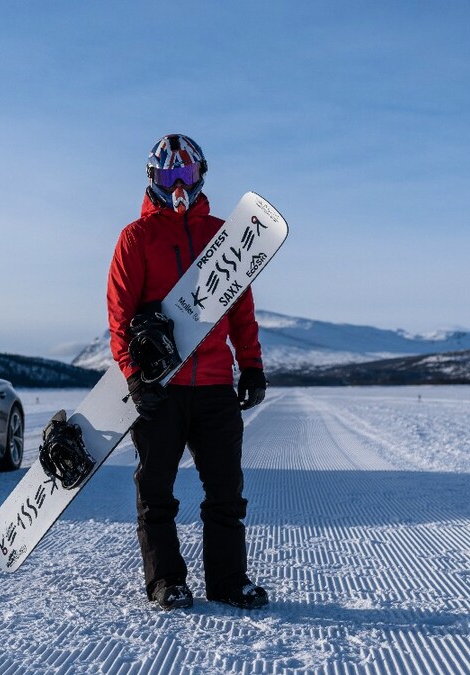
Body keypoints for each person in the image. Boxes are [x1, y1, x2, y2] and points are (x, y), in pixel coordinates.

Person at [107, 133, 269, 610]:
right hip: (161, 388)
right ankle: (166, 580)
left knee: (226, 491)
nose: (177, 185)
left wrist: (252, 365)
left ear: (200, 176)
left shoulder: (223, 236)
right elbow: (119, 317)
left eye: (186, 175)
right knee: (155, 491)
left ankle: (228, 581)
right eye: (167, 176)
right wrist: (133, 376)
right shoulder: (136, 238)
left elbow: (241, 310)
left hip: (215, 384)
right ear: (152, 180)